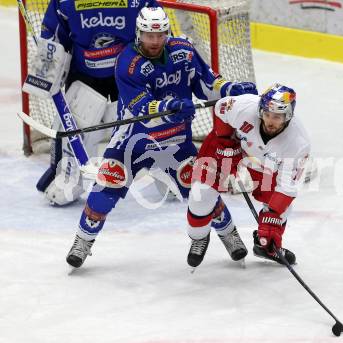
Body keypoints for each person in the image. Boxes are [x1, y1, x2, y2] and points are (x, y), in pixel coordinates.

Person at [65, 7, 258, 268]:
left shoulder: (184, 52)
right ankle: (83, 241)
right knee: (104, 190)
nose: (154, 41)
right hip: (133, 143)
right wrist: (171, 109)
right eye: (148, 35)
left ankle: (229, 235)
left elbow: (206, 83)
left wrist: (230, 90)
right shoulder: (127, 63)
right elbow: (142, 109)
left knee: (203, 193)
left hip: (176, 142)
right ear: (138, 33)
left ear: (167, 32)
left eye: (160, 34)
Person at [25, 0, 162, 206]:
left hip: (128, 70)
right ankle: (70, 177)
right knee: (78, 119)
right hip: (85, 72)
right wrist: (48, 60)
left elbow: (154, 28)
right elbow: (53, 33)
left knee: (147, 117)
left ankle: (168, 169)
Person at [186, 83, 311, 268]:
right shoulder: (245, 107)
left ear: (288, 116)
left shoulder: (298, 143)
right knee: (200, 194)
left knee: (280, 211)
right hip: (231, 145)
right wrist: (225, 140)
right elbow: (221, 108)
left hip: (265, 163)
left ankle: (266, 245)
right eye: (267, 114)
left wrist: (272, 217)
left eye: (277, 117)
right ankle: (199, 237)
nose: (270, 121)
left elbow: (286, 187)